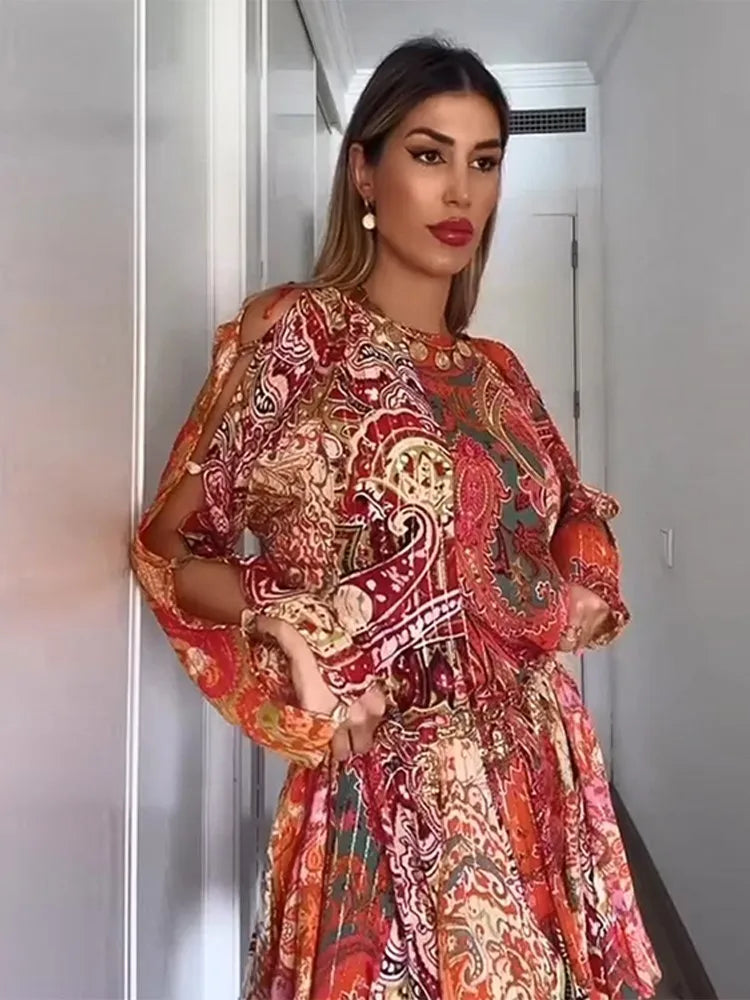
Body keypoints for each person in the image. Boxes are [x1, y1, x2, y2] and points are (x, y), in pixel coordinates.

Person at [132, 36, 660, 1000]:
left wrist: (585, 577)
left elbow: (576, 508)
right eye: (428, 154)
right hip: (385, 777)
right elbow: (171, 551)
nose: (460, 190)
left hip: (537, 768)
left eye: (484, 161)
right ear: (364, 172)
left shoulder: (497, 372)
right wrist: (294, 631)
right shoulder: (299, 336)